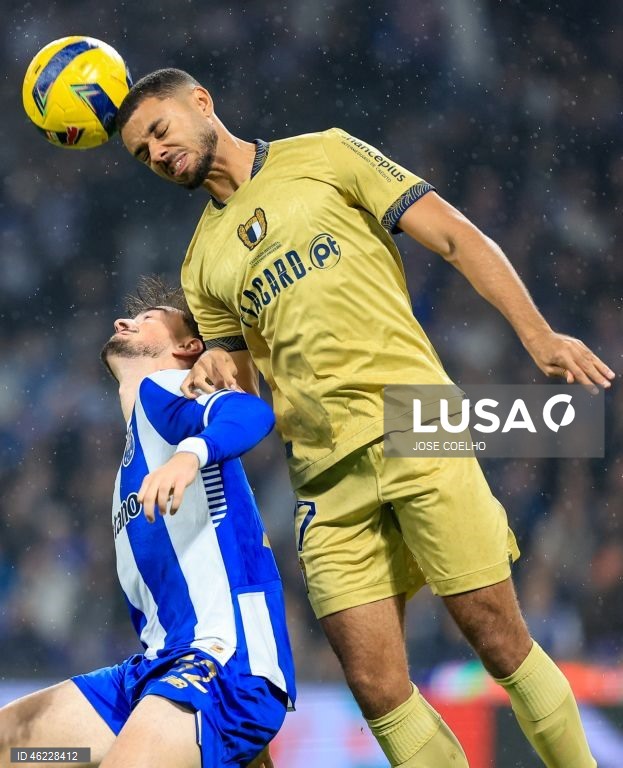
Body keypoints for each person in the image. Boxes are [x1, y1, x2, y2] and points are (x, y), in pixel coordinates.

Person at [116, 69, 614, 768]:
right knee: (377, 688)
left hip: (417, 420)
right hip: (322, 475)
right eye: (143, 153)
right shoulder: (201, 264)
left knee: (495, 637)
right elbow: (245, 389)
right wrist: (216, 378)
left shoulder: (325, 153)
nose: (158, 154)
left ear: (201, 103)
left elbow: (452, 235)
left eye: (160, 131)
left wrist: (538, 336)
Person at [0, 276, 295, 768]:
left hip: (220, 663)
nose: (123, 321)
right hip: (154, 671)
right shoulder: (127, 469)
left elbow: (249, 412)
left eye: (147, 320)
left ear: (188, 347)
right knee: (20, 747)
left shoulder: (166, 395)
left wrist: (190, 456)